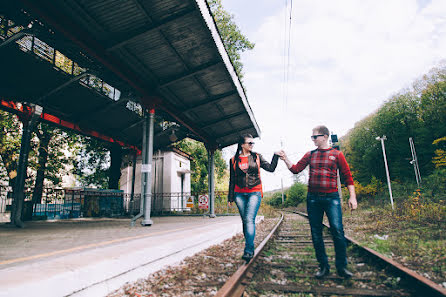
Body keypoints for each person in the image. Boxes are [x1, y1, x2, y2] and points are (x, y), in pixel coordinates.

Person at [280, 125, 358, 279]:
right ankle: (323, 267)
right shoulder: (310, 155)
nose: (313, 139)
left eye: (315, 136)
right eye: (312, 137)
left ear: (325, 136)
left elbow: (347, 177)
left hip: (332, 198)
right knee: (316, 233)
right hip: (313, 199)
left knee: (337, 230)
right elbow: (295, 169)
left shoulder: (337, 155)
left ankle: (342, 267)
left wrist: (352, 197)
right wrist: (285, 159)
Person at [228, 134, 280, 263]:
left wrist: (276, 156)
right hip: (239, 194)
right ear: (242, 145)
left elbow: (271, 168)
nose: (252, 145)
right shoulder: (233, 160)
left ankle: (248, 250)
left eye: (253, 143)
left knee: (249, 219)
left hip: (254, 192)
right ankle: (249, 246)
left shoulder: (257, 157)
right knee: (245, 221)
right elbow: (232, 179)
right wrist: (230, 197)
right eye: (249, 143)